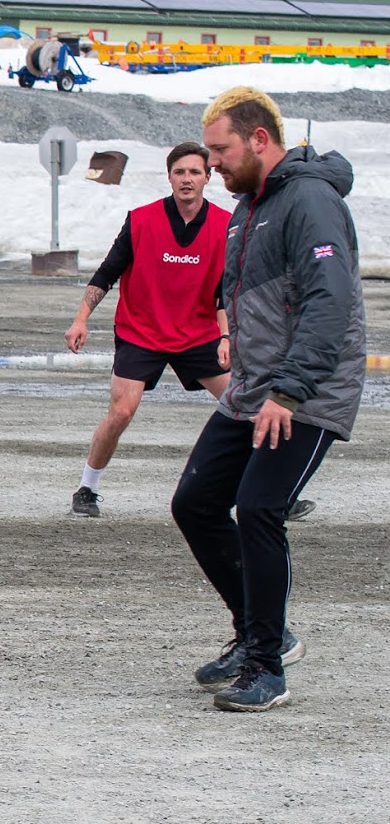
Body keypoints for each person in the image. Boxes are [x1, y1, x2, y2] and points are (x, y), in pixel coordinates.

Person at [175, 86, 365, 712]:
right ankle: (267, 633)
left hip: (306, 391)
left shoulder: (309, 199)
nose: (214, 164)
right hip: (257, 385)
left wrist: (288, 389)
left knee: (258, 508)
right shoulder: (254, 200)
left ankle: (266, 667)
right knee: (197, 502)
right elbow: (247, 289)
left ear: (260, 139)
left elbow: (328, 301)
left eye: (221, 150)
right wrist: (233, 337)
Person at [64, 142, 230, 518]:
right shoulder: (141, 220)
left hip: (198, 335)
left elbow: (226, 290)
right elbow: (106, 273)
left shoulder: (225, 225)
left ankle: (272, 491)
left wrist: (226, 336)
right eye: (179, 172)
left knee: (245, 406)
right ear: (169, 176)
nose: (186, 179)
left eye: (194, 172)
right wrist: (81, 319)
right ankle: (87, 489)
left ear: (208, 176)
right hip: (142, 332)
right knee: (122, 412)